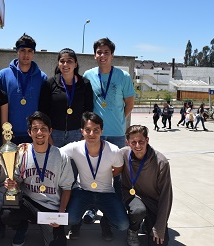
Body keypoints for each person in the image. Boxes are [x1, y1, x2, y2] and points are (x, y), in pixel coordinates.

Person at [1, 111, 74, 246]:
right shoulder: (22, 152)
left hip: (51, 207)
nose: (39, 132)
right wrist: (12, 183)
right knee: (6, 214)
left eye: (43, 129)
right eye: (35, 129)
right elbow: (17, 181)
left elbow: (66, 188)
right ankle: (22, 227)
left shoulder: (61, 156)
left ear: (50, 131)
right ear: (29, 132)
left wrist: (60, 213)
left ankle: (45, 226)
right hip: (29, 203)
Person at [82, 37, 135, 222]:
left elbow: (129, 103)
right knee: (94, 172)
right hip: (95, 135)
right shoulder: (88, 75)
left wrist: (120, 118)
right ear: (94, 55)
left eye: (106, 52)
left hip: (117, 134)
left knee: (117, 176)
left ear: (112, 55)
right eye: (99, 52)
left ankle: (114, 211)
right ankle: (92, 208)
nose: (102, 55)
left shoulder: (123, 77)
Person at [61, 112, 129, 241]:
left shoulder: (113, 150)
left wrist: (105, 175)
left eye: (96, 130)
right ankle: (76, 224)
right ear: (82, 131)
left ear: (102, 131)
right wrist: (28, 147)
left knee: (123, 224)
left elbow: (119, 168)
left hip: (106, 193)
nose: (92, 134)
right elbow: (54, 153)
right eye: (88, 130)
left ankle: (105, 223)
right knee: (70, 219)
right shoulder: (75, 148)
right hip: (83, 191)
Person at [121, 125, 173, 246]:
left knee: (160, 242)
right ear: (127, 142)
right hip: (133, 197)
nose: (138, 146)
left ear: (147, 140)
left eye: (141, 141)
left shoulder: (161, 162)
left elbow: (166, 197)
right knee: (138, 211)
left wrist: (160, 226)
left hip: (153, 202)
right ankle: (133, 229)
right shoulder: (122, 154)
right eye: (133, 142)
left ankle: (148, 224)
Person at [0, 33, 47, 145]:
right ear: (17, 51)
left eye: (30, 51)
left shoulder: (42, 77)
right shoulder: (3, 75)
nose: (26, 54)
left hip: (33, 134)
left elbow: (44, 107)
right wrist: (4, 131)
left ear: (34, 53)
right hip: (10, 133)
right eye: (23, 50)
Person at [39, 48, 93, 147]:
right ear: (58, 64)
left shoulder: (85, 84)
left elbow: (89, 110)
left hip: (77, 133)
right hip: (54, 133)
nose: (65, 64)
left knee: (74, 163)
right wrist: (47, 135)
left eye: (69, 61)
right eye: (62, 61)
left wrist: (85, 134)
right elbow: (43, 111)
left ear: (75, 64)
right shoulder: (49, 84)